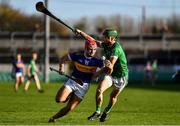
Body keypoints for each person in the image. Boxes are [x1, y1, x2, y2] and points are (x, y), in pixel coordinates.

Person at [75, 28, 129, 122]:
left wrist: (97, 74)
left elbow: (109, 67)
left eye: (105, 37)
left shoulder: (116, 49)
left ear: (112, 38)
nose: (103, 38)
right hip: (111, 75)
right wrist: (80, 32)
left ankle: (106, 111)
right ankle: (97, 111)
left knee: (113, 97)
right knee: (99, 90)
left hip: (121, 77)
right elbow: (92, 41)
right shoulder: (106, 44)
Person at [48, 38, 105, 123]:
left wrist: (105, 68)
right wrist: (61, 68)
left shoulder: (97, 61)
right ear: (85, 48)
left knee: (69, 108)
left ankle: (53, 118)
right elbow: (63, 58)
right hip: (72, 81)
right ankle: (69, 95)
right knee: (59, 100)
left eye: (94, 50)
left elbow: (105, 71)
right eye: (90, 49)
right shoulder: (77, 55)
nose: (92, 52)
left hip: (84, 86)